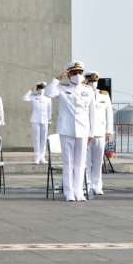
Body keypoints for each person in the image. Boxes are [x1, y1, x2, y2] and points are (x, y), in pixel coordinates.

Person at [45, 61, 95, 202]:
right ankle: (68, 192)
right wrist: (57, 79)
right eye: (74, 73)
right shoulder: (61, 89)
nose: (78, 75)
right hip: (66, 130)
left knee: (80, 163)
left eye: (80, 73)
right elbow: (48, 93)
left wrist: (91, 133)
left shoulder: (88, 91)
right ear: (68, 75)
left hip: (83, 131)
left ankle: (79, 191)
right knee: (68, 162)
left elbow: (92, 114)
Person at [84, 71, 113, 195]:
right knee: (86, 161)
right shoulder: (83, 93)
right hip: (86, 132)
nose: (93, 83)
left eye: (95, 81)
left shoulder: (104, 95)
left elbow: (109, 114)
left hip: (100, 132)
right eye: (90, 81)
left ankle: (97, 185)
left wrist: (108, 131)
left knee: (98, 160)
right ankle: (87, 184)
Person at [22, 82, 52, 164]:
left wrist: (50, 121)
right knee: (36, 139)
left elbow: (49, 110)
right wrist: (31, 90)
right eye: (40, 88)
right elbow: (24, 98)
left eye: (43, 88)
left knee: (43, 139)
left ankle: (42, 156)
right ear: (37, 89)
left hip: (45, 120)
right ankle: (36, 157)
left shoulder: (48, 98)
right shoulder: (33, 97)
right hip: (35, 120)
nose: (41, 90)